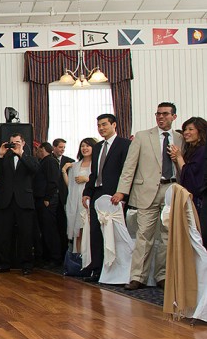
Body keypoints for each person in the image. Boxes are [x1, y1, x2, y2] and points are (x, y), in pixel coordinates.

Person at [114, 102, 183, 290]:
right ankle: (138, 277)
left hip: (172, 190)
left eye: (165, 114)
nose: (161, 117)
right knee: (144, 236)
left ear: (174, 117)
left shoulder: (181, 138)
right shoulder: (143, 137)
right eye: (158, 114)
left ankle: (163, 276)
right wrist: (122, 190)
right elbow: (130, 166)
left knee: (167, 237)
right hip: (146, 192)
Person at [81, 114, 131, 282]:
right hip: (97, 193)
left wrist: (122, 193)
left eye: (104, 125)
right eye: (99, 126)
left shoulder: (124, 144)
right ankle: (97, 269)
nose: (101, 128)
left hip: (115, 195)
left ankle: (117, 271)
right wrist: (87, 192)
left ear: (114, 125)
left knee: (114, 234)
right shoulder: (97, 147)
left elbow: (127, 171)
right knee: (95, 232)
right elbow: (94, 173)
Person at [0, 133, 38, 275]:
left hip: (24, 201)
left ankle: (26, 265)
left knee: (26, 234)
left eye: (17, 142)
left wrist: (21, 155)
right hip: (6, 201)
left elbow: (35, 169)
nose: (15, 145)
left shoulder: (29, 158)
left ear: (23, 143)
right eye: (12, 142)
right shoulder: (4, 158)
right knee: (4, 234)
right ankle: (4, 263)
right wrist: (0, 155)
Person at [62, 138, 96, 253]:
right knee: (79, 233)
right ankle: (78, 259)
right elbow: (70, 186)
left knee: (91, 232)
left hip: (90, 202)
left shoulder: (96, 164)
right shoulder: (75, 165)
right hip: (77, 203)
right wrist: (63, 172)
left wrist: (87, 179)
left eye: (87, 146)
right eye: (82, 146)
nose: (84, 148)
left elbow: (100, 182)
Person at [33, 142, 62, 268]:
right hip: (41, 199)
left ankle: (55, 258)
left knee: (50, 229)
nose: (37, 152)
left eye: (38, 150)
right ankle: (46, 256)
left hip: (48, 200)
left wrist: (47, 198)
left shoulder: (50, 161)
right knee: (44, 229)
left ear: (43, 149)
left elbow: (53, 181)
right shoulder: (43, 161)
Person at [169, 116, 206, 212]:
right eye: (185, 129)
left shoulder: (202, 150)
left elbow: (191, 174)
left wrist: (179, 157)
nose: (186, 132)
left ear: (200, 131)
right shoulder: (191, 150)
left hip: (199, 200)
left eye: (191, 129)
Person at [52, 138, 74, 258]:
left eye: (64, 147)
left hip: (64, 198)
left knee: (64, 226)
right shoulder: (47, 159)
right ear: (54, 147)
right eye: (60, 147)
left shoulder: (70, 162)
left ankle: (65, 254)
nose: (62, 150)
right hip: (51, 198)